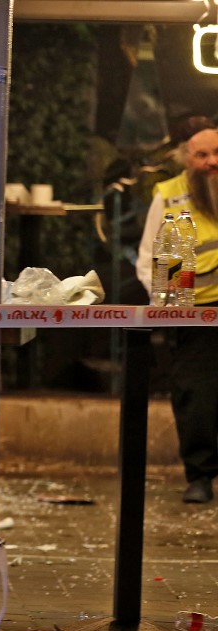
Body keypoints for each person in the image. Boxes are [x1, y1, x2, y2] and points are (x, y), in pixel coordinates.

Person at [135, 116, 218, 503]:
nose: (211, 161)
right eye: (202, 154)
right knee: (195, 396)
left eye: (217, 153)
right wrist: (170, 309)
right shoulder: (171, 196)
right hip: (194, 315)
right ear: (187, 158)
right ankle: (200, 476)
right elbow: (155, 258)